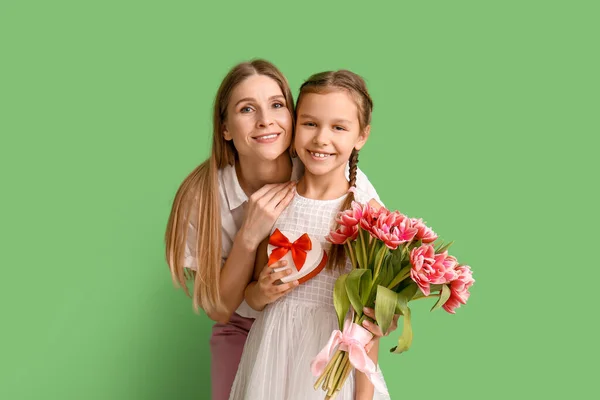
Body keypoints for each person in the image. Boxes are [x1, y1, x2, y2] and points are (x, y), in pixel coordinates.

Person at [164, 60, 387, 400]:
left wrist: (383, 313)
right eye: (246, 108)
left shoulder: (327, 171)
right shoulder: (203, 197)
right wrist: (249, 236)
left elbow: (373, 292)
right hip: (242, 324)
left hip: (324, 332)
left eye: (277, 105)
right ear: (225, 127)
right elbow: (221, 310)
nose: (265, 120)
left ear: (292, 116)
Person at [230, 70, 390, 400]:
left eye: (339, 127)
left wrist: (363, 398)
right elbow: (253, 298)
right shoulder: (273, 202)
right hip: (273, 356)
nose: (321, 139)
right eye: (310, 123)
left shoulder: (367, 214)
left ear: (361, 136)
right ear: (294, 124)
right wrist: (261, 291)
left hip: (332, 361)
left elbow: (369, 328)